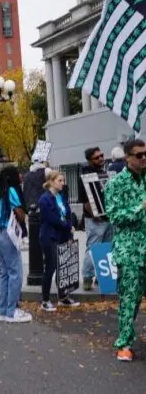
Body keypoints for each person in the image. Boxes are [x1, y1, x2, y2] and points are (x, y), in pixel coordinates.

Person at [104, 139, 146, 362]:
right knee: (130, 298)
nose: (144, 158)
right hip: (130, 250)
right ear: (128, 157)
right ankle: (124, 344)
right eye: (139, 155)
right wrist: (140, 207)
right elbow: (115, 216)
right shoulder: (115, 184)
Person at [0, 166, 32, 324]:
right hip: (8, 235)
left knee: (5, 274)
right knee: (16, 273)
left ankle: (3, 311)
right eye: (17, 173)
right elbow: (19, 213)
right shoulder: (12, 190)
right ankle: (12, 311)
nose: (20, 175)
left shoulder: (0, 193)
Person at [38, 171, 81, 312]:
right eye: (60, 180)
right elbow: (52, 219)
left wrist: (70, 227)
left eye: (63, 180)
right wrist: (68, 226)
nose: (63, 183)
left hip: (63, 235)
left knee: (63, 267)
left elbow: (67, 214)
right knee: (50, 267)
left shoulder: (61, 197)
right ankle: (45, 300)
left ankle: (63, 297)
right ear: (51, 182)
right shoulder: (44, 199)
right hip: (49, 236)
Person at [78, 147, 114, 291]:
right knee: (93, 248)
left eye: (101, 155)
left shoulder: (104, 173)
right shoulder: (85, 175)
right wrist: (95, 214)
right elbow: (84, 200)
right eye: (97, 157)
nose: (101, 158)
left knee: (107, 248)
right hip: (95, 220)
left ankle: (102, 277)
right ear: (89, 160)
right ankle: (87, 278)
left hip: (108, 217)